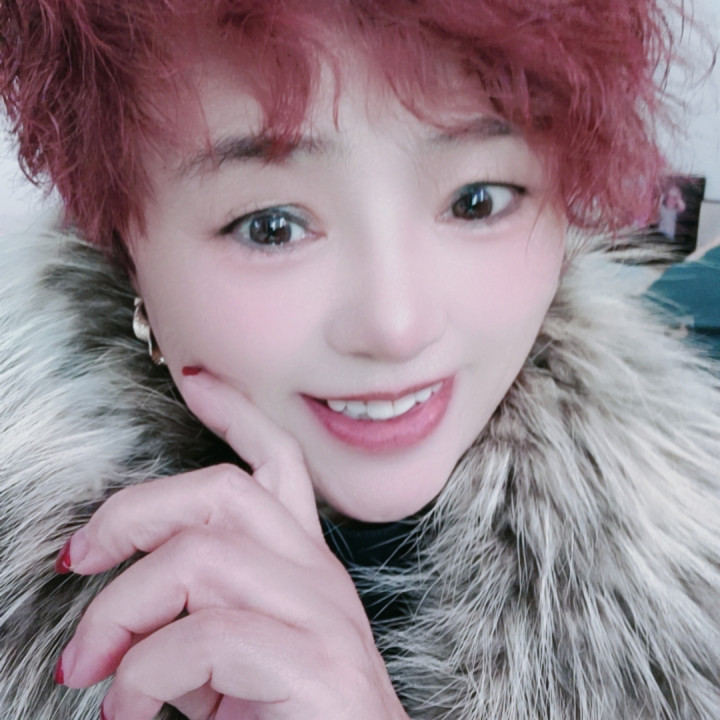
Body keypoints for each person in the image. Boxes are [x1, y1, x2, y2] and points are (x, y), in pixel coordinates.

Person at [0, 1, 719, 719]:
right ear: (124, 245)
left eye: (476, 201)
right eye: (271, 227)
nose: (396, 328)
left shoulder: (689, 564)